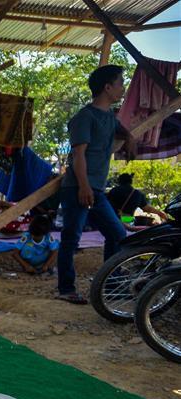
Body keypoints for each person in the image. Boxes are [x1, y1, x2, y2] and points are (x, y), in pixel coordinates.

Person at [56, 64, 137, 304]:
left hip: (97, 189)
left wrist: (130, 137)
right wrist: (84, 186)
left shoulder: (110, 118)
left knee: (117, 232)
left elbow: (121, 131)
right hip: (78, 187)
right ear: (107, 87)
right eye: (121, 83)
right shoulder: (84, 117)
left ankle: (111, 282)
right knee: (71, 238)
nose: (123, 88)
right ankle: (66, 288)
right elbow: (78, 155)